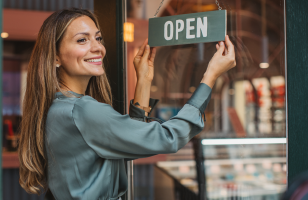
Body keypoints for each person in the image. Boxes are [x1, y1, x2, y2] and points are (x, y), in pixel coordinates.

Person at [18, 8, 236, 200]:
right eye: (82, 40)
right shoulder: (82, 110)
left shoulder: (58, 108)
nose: (98, 48)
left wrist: (143, 81)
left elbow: (130, 141)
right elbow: (168, 138)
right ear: (55, 57)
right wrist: (210, 76)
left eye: (98, 38)